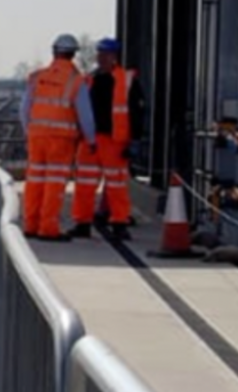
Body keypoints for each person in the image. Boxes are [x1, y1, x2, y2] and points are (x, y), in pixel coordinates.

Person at [20, 34, 96, 241]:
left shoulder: (37, 77)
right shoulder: (76, 81)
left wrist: (29, 131)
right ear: (73, 55)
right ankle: (48, 227)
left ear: (54, 52)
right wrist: (91, 140)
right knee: (54, 182)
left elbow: (24, 109)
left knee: (34, 180)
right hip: (61, 140)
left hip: (37, 137)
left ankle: (30, 224)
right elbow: (85, 115)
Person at [71, 37, 147, 238]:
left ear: (114, 56)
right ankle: (82, 223)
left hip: (115, 141)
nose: (102, 58)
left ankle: (119, 223)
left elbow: (137, 112)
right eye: (100, 54)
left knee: (117, 185)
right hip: (90, 141)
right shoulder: (89, 80)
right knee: (84, 184)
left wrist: (134, 139)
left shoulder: (127, 80)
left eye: (106, 54)